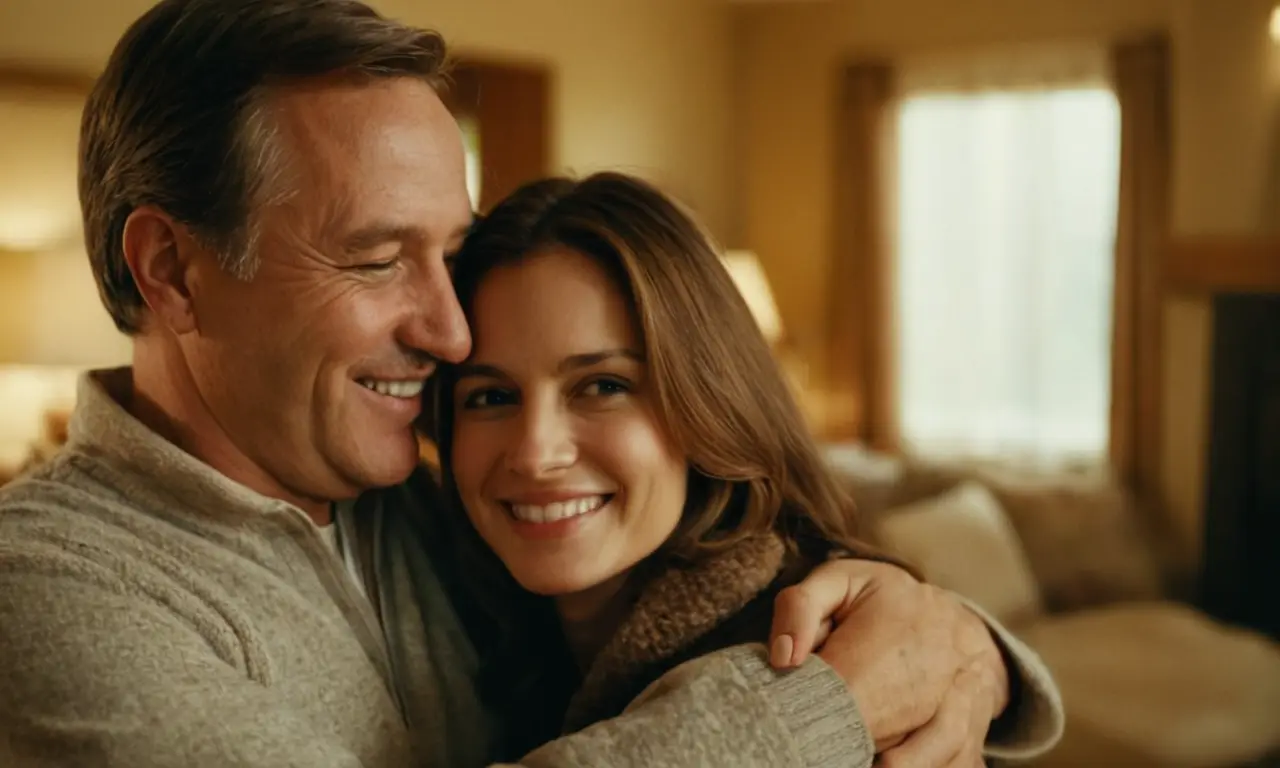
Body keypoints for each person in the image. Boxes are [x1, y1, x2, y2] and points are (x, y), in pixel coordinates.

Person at [0, 0, 1063, 766]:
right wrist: (822, 705)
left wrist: (959, 642)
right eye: (375, 258)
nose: (450, 328)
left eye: (448, 255)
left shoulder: (431, 512)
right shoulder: (46, 583)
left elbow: (704, 573)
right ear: (171, 270)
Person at [426, 172, 1059, 765]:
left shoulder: (817, 654)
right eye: (491, 397)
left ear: (705, 400)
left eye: (602, 386)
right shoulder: (466, 613)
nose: (536, 452)